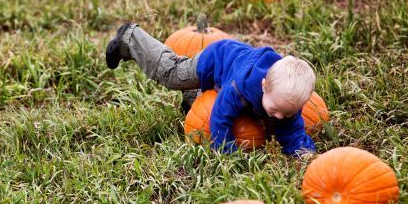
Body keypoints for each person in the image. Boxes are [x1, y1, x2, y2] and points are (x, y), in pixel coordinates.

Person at [106, 22, 316, 156]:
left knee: (284, 116)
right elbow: (220, 116)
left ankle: (191, 96)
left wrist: (302, 152)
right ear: (264, 86)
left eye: (285, 113)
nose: (279, 116)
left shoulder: (284, 99)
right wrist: (227, 151)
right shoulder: (239, 88)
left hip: (237, 62)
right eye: (276, 109)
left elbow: (292, 129)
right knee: (172, 74)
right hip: (214, 60)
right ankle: (130, 38)